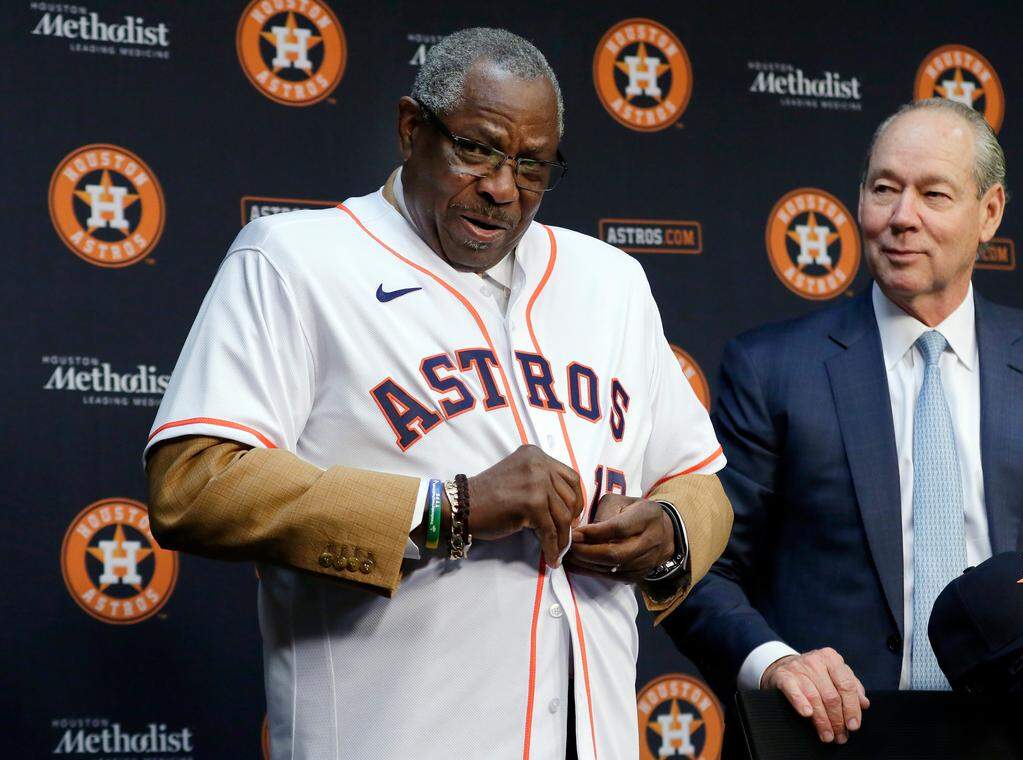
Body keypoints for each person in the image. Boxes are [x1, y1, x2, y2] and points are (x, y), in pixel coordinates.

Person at [144, 28, 731, 760]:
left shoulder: (611, 281)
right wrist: (445, 510)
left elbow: (700, 483)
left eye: (532, 165)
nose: (503, 188)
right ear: (411, 129)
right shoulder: (297, 261)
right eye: (477, 148)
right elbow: (194, 485)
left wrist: (667, 530)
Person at [665, 98, 1023, 754]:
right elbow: (701, 569)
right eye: (883, 189)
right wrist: (775, 662)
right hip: (834, 734)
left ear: (990, 213)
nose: (900, 218)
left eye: (934, 194)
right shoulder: (772, 368)